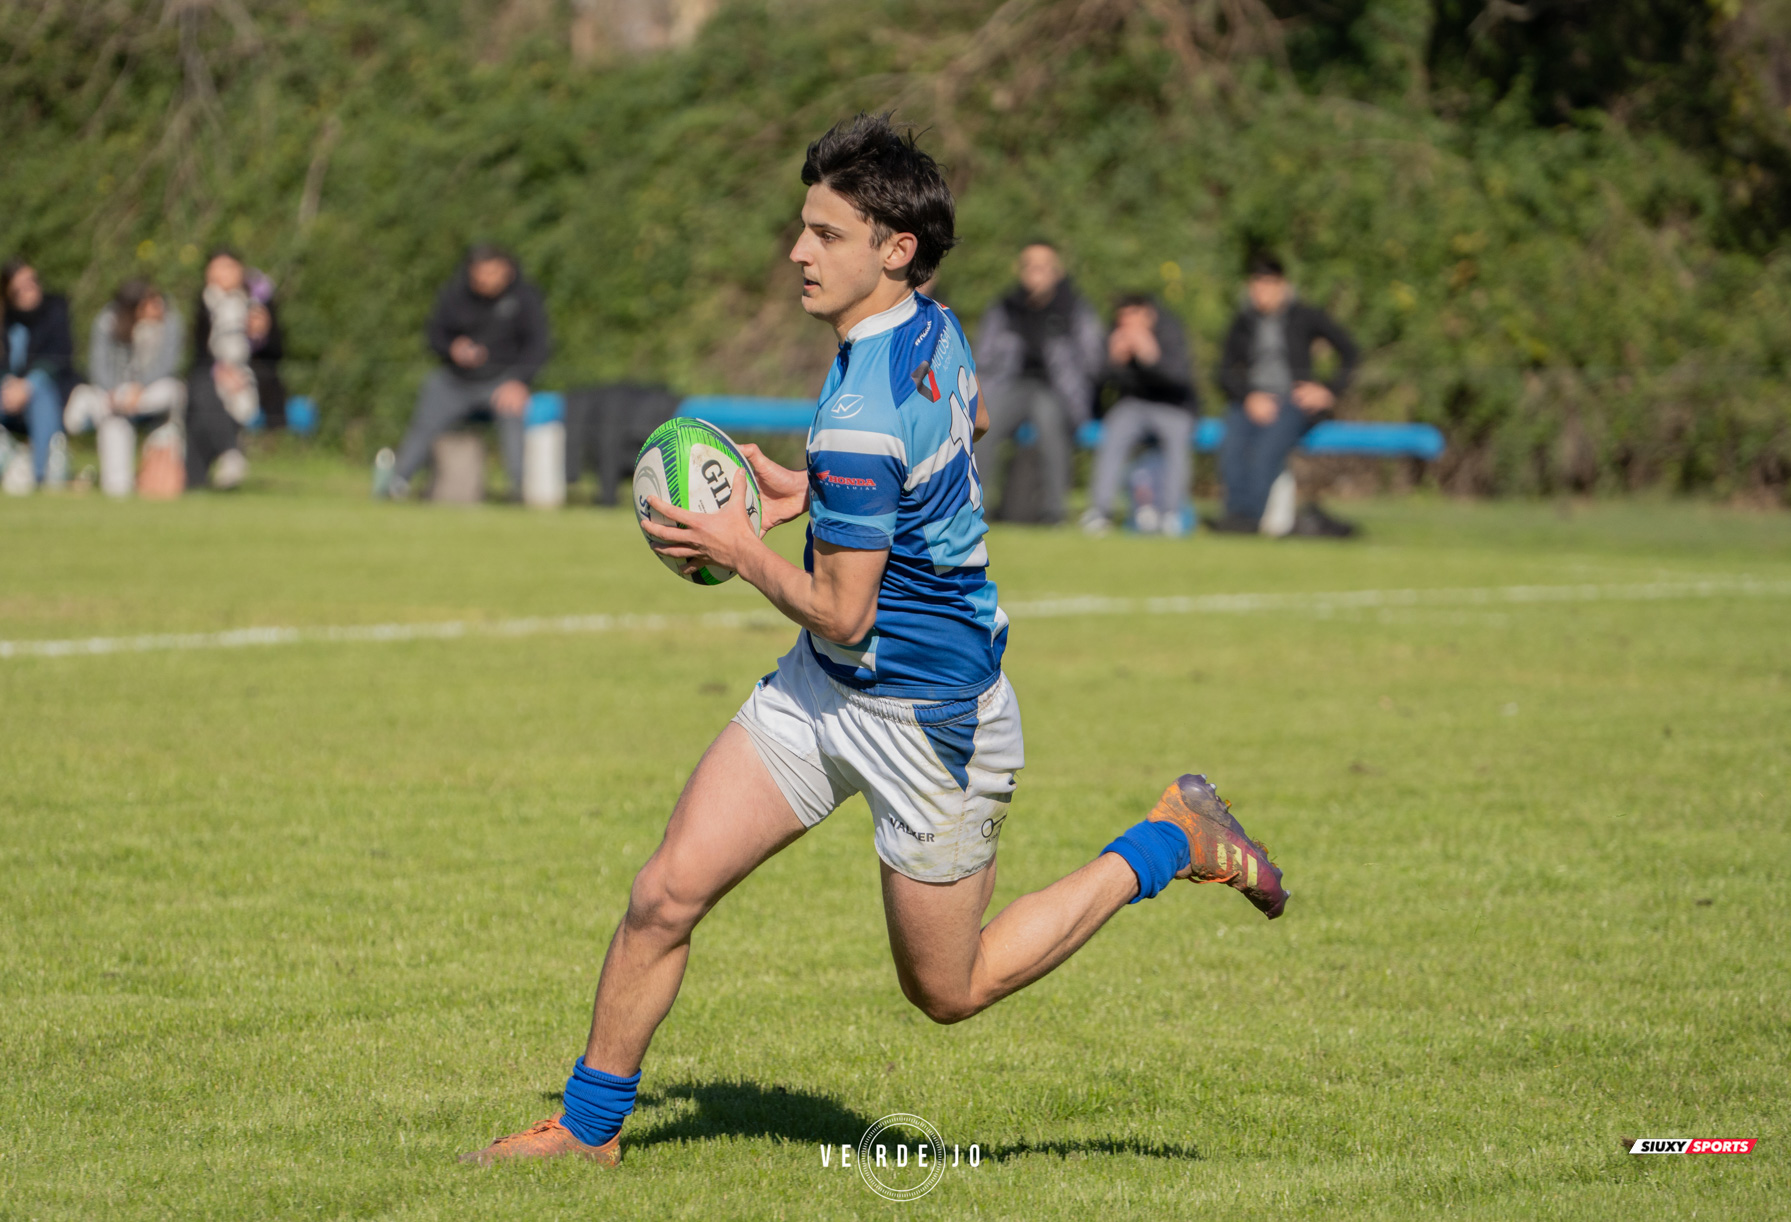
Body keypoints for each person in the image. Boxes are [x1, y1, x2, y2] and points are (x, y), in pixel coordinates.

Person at [459, 113, 1289, 1170]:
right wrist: (820, 494)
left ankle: (1173, 836)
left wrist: (736, 542)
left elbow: (842, 605)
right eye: (801, 228)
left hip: (933, 721)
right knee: (666, 891)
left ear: (893, 249)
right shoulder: (931, 326)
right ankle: (586, 1132)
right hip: (827, 690)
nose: (798, 252)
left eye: (824, 234)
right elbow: (953, 439)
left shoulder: (860, 406)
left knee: (950, 989)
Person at [379, 245, 550, 501]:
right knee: (426, 416)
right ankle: (397, 484)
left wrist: (519, 382)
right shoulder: (455, 293)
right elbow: (434, 334)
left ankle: (518, 491)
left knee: (513, 415)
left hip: (502, 382)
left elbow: (539, 345)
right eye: (480, 274)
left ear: (506, 269)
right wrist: (452, 348)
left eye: (492, 273)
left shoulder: (525, 297)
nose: (485, 280)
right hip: (455, 381)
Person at [1210, 252, 1360, 536]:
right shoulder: (1243, 322)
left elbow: (1350, 352)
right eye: (1256, 284)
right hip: (1251, 401)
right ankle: (1236, 514)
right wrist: (1248, 397)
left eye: (1268, 284)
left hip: (1294, 401)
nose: (1261, 291)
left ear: (1282, 285)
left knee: (1267, 448)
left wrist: (1329, 389)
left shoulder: (1305, 316)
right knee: (1232, 446)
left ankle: (1249, 519)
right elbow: (1225, 371)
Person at [972, 240, 1103, 524]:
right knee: (982, 425)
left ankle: (1054, 512)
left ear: (1056, 272)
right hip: (1012, 385)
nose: (1035, 273)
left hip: (1057, 391)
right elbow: (983, 355)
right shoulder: (1006, 307)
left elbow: (1093, 360)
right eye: (1030, 266)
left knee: (1049, 422)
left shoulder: (1074, 308)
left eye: (1042, 267)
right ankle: (972, 507)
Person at [1079, 293, 1199, 536]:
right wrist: (1112, 362)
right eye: (1122, 319)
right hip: (1133, 405)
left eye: (1131, 318)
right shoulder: (1114, 334)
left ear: (1147, 314)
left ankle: (1171, 514)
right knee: (1113, 433)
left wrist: (1151, 358)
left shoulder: (1170, 331)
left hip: (1172, 406)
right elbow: (1097, 385)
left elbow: (1181, 381)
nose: (1126, 325)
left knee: (1177, 439)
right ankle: (1100, 511)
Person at [186, 249, 285, 491]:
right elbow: (199, 352)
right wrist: (221, 371)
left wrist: (261, 333)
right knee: (202, 390)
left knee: (203, 397)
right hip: (211, 376)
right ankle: (221, 462)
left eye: (228, 267)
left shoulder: (259, 303)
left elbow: (276, 352)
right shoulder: (205, 303)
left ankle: (208, 471)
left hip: (254, 376)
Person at [66, 280, 188, 432]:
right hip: (112, 392)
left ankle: (96, 405)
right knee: (113, 439)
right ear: (135, 308)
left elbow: (167, 365)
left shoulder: (169, 321)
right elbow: (98, 364)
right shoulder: (108, 321)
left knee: (173, 391)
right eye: (149, 303)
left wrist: (139, 387)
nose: (158, 306)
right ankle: (96, 404)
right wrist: (113, 391)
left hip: (143, 392)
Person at [1, 259, 75, 489]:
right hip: (7, 391)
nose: (30, 289)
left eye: (33, 282)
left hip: (49, 388)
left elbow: (58, 357)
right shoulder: (5, 320)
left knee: (41, 396)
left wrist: (27, 385)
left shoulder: (55, 310)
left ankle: (41, 475)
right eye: (21, 286)